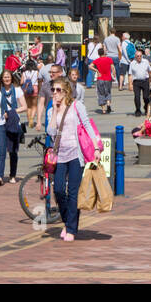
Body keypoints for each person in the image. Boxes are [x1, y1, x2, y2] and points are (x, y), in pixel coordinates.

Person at [45, 75, 101, 241]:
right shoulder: (51, 110)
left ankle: (71, 228)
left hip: (76, 154)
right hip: (59, 155)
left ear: (66, 92)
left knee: (73, 193)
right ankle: (67, 220)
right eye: (53, 90)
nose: (54, 93)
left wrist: (96, 147)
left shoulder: (77, 106)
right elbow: (51, 132)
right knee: (59, 190)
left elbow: (87, 125)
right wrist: (55, 111)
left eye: (58, 90)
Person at [0, 69, 28, 187]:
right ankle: (0, 176)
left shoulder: (17, 90)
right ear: (1, 79)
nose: (6, 79)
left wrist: (12, 111)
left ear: (12, 78)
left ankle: (13, 175)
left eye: (8, 77)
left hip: (13, 122)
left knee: (13, 150)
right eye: (4, 77)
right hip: (0, 123)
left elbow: (25, 107)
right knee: (2, 150)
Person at [129, 49, 151, 115]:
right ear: (135, 57)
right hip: (136, 82)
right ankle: (138, 110)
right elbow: (130, 75)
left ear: (142, 56)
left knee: (146, 97)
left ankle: (146, 107)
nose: (139, 57)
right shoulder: (132, 63)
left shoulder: (146, 62)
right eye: (137, 56)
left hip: (145, 81)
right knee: (137, 96)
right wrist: (130, 85)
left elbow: (150, 71)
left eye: (140, 56)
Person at [92, 50, 115, 114]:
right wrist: (114, 74)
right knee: (108, 92)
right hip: (108, 79)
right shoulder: (109, 59)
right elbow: (113, 68)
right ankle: (108, 104)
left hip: (100, 79)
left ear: (98, 54)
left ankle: (103, 110)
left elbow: (90, 66)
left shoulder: (97, 60)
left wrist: (96, 70)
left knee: (101, 93)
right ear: (104, 53)